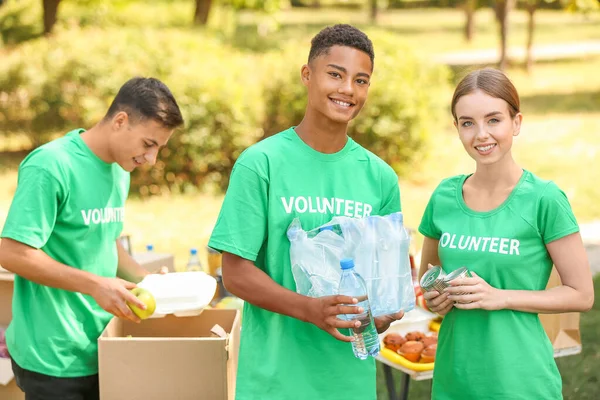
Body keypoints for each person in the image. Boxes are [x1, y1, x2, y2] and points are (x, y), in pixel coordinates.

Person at [208, 24, 404, 399]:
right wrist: (309, 309)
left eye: (361, 80)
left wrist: (381, 313)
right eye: (335, 74)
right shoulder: (260, 164)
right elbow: (234, 273)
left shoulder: (380, 178)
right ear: (307, 75)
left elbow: (382, 281)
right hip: (275, 381)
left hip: (348, 383)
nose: (348, 89)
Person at [0, 77, 184, 400]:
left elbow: (105, 239)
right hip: (52, 357)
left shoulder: (118, 170)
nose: (151, 160)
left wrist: (146, 280)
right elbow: (12, 252)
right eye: (148, 144)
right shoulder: (51, 166)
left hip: (101, 346)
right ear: (120, 121)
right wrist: (96, 285)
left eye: (158, 149)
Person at [418, 67, 594, 400]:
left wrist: (501, 297)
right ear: (456, 128)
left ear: (516, 123)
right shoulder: (443, 196)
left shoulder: (544, 199)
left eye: (493, 119)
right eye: (467, 122)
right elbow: (429, 283)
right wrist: (434, 299)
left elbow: (582, 295)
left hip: (520, 382)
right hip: (455, 380)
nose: (481, 134)